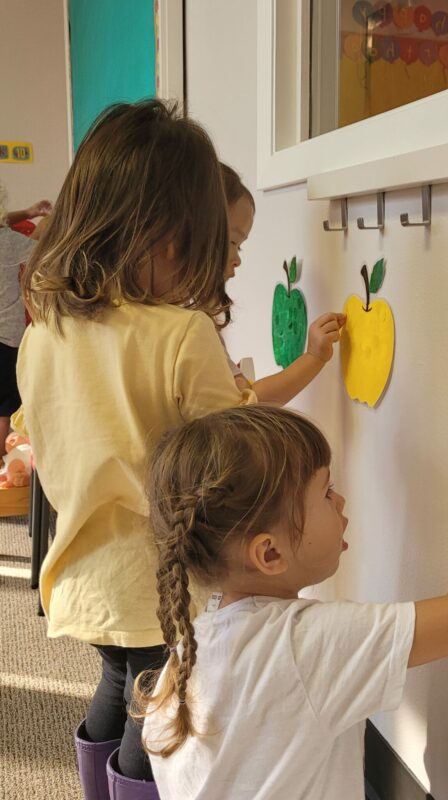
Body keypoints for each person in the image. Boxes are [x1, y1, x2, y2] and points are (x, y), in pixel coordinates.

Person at [16, 99, 258, 800]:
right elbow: (228, 456)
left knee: (118, 679)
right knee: (155, 710)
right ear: (171, 240)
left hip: (82, 567)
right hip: (156, 578)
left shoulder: (43, 334)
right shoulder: (180, 335)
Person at [138, 405, 448, 800]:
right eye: (325, 492)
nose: (340, 500)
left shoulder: (186, 655)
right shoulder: (303, 645)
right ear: (270, 554)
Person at [220, 163, 346, 404]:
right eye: (233, 242)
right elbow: (244, 407)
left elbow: (248, 399)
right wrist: (314, 357)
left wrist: (314, 356)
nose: (237, 259)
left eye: (240, 247)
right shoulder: (193, 331)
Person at [0, 184, 49, 455]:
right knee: (5, 407)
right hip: (6, 338)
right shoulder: (8, 241)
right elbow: (44, 253)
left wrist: (30, 212)